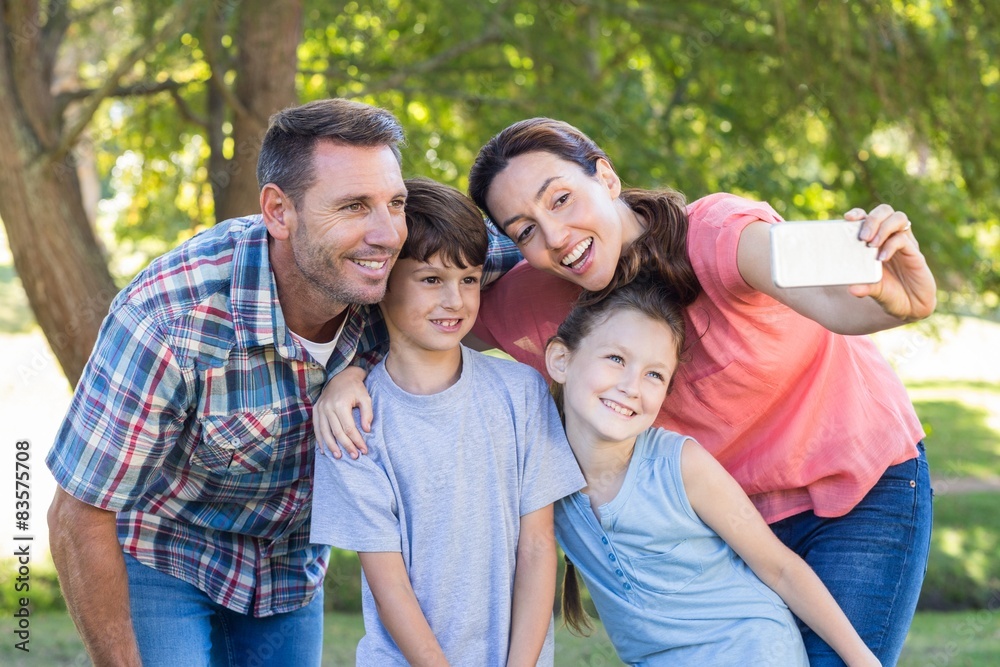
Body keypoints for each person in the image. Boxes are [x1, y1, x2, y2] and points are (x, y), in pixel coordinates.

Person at [316, 117, 934, 666]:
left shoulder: (716, 235)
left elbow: (831, 299)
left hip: (858, 488)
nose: (555, 237)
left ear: (605, 177)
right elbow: (420, 315)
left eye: (561, 199)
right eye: (525, 228)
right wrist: (352, 372)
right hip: (729, 515)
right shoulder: (535, 300)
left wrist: (897, 306)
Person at [46, 98, 426, 666]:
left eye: (394, 203)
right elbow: (77, 511)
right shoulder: (173, 317)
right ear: (278, 211)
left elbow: (536, 256)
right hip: (165, 551)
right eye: (352, 206)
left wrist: (358, 369)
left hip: (289, 570)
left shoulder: (409, 272)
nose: (386, 233)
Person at [309, 177, 585, 666]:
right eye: (431, 280)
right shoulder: (351, 421)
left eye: (469, 280)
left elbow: (539, 545)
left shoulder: (521, 391)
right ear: (382, 282)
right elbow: (386, 576)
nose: (455, 301)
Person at [544, 276, 880, 666]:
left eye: (654, 375)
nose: (631, 387)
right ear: (561, 360)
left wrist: (862, 660)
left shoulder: (680, 465)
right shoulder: (542, 472)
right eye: (616, 359)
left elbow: (780, 567)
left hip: (752, 651)